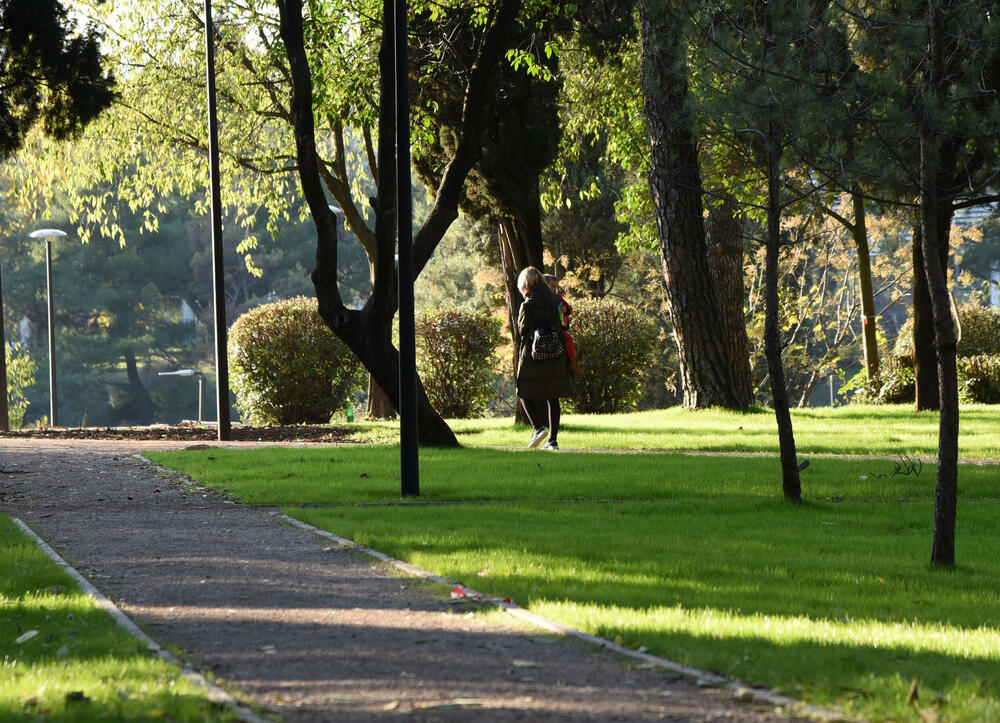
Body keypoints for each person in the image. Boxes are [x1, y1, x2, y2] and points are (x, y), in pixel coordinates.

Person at [516, 266, 574, 450]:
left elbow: (522, 329)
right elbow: (562, 322)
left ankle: (538, 428)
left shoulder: (527, 304)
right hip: (555, 353)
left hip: (533, 354)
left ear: (525, 284)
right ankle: (553, 441)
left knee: (523, 390)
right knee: (553, 396)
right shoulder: (555, 300)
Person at [543, 274, 583, 375]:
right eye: (552, 286)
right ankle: (573, 361)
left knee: (569, 339)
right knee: (568, 339)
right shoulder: (542, 297)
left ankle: (573, 361)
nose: (554, 289)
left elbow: (569, 308)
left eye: (555, 287)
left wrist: (566, 309)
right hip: (549, 327)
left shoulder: (557, 296)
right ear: (544, 285)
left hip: (560, 326)